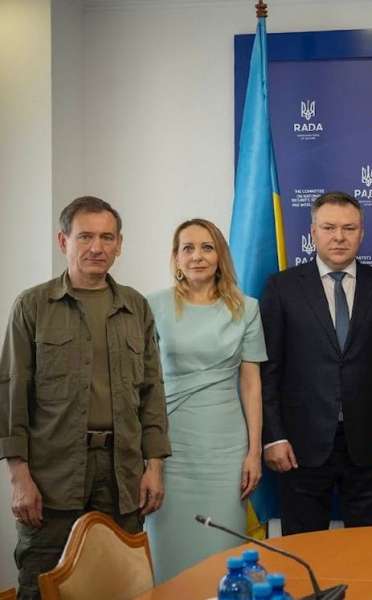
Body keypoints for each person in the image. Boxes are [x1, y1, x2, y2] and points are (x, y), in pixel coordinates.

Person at [0, 196, 170, 599]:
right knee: (41, 584)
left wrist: (154, 466)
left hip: (122, 474)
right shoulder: (33, 306)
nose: (97, 247)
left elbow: (152, 391)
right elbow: (11, 392)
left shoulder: (135, 307)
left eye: (107, 237)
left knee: (120, 586)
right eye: (86, 237)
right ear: (64, 241)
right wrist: (19, 477)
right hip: (52, 476)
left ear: (119, 244)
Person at [260, 192, 372, 533]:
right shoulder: (281, 288)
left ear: (362, 233)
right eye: (329, 228)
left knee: (367, 550)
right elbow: (268, 370)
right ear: (313, 232)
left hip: (371, 450)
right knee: (303, 549)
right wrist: (274, 437)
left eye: (349, 228)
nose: (339, 237)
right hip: (299, 447)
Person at [144, 218, 267, 582]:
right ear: (176, 257)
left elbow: (251, 385)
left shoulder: (247, 308)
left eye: (207, 247)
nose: (197, 256)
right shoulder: (151, 305)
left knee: (223, 555)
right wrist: (148, 457)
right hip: (170, 448)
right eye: (188, 248)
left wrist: (254, 452)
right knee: (169, 555)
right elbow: (143, 383)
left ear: (220, 256)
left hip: (225, 452)